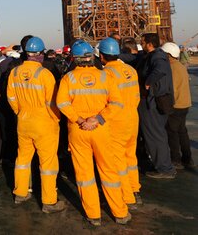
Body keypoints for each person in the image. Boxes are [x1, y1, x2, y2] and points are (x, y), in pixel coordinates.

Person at [57, 40, 130, 226]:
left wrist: (80, 120)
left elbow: (62, 103)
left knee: (84, 174)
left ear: (74, 58)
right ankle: (120, 213)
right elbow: (116, 103)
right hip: (101, 130)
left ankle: (93, 215)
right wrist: (97, 119)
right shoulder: (106, 77)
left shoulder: (68, 78)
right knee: (108, 170)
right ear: (92, 56)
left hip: (78, 131)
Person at [7, 37, 65, 213]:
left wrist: (20, 112)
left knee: (23, 159)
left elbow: (11, 98)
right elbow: (52, 103)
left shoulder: (15, 73)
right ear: (40, 54)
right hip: (44, 124)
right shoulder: (45, 75)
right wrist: (56, 120)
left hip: (23, 122)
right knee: (47, 163)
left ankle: (21, 193)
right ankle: (49, 202)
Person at [99, 37, 142, 206]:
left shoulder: (106, 74)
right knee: (131, 157)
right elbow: (137, 95)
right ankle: (134, 188)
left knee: (118, 161)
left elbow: (105, 102)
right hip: (133, 119)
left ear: (102, 56)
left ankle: (127, 197)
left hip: (116, 122)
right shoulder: (130, 70)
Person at [137, 33, 176, 179]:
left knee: (155, 135)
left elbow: (160, 69)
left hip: (152, 103)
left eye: (142, 41)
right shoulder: (151, 56)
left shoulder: (157, 56)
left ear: (149, 43)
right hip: (155, 102)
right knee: (157, 134)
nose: (141, 44)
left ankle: (165, 168)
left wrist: (148, 82)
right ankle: (163, 165)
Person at [161, 42, 194, 169]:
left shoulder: (171, 68)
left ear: (168, 55)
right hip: (185, 104)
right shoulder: (180, 66)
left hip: (176, 105)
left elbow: (170, 89)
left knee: (172, 133)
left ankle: (176, 160)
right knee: (182, 131)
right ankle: (187, 158)